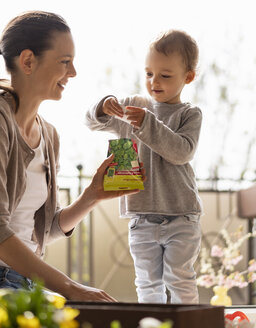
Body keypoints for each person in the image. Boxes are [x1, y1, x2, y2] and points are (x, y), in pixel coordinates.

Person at [0, 11, 142, 302]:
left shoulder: (48, 135)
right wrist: (70, 287)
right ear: (28, 61)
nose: (73, 72)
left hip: (25, 282)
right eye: (65, 62)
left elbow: (43, 230)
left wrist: (92, 195)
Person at [85, 30, 203, 304]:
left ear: (188, 77)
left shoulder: (189, 114)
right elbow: (91, 122)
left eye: (165, 75)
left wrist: (147, 123)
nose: (154, 82)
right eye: (149, 73)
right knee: (147, 284)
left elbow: (181, 152)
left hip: (181, 216)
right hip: (141, 218)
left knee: (180, 280)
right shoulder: (133, 106)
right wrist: (103, 107)